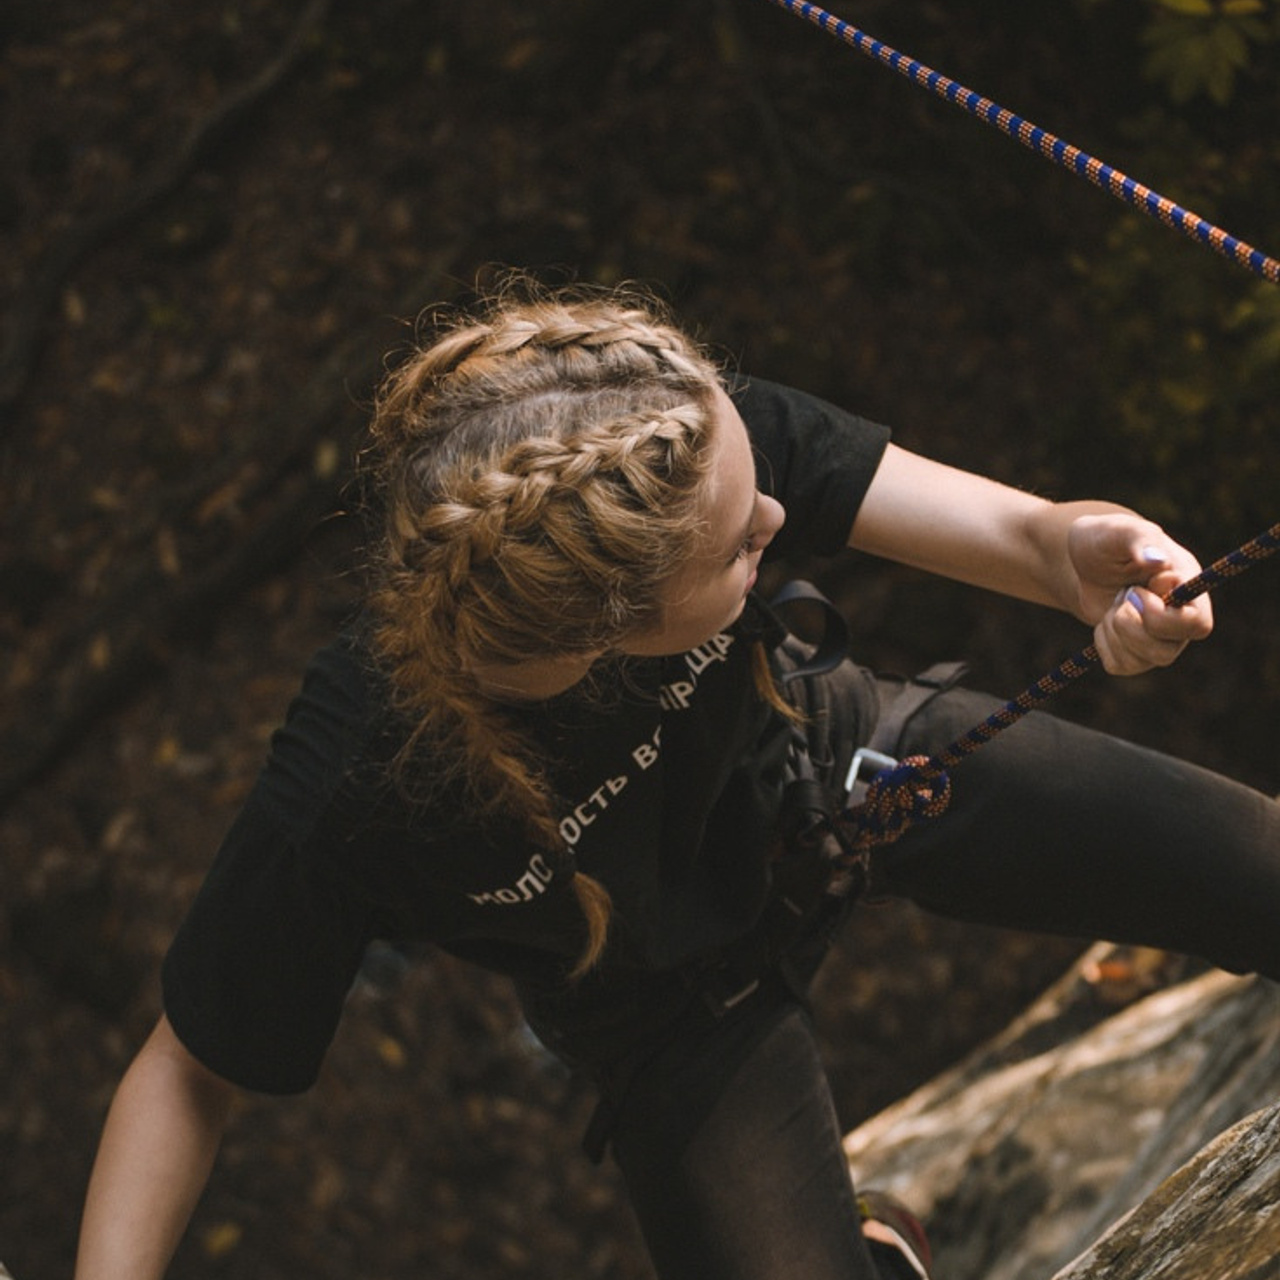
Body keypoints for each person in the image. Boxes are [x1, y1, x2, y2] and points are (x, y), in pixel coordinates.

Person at [74, 282, 1280, 1280]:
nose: (770, 513)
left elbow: (1027, 539)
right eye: (742, 547)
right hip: (664, 1009)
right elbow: (188, 1071)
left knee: (1257, 867)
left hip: (838, 775)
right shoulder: (356, 777)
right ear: (604, 631)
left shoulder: (674, 442)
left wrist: (1083, 558)